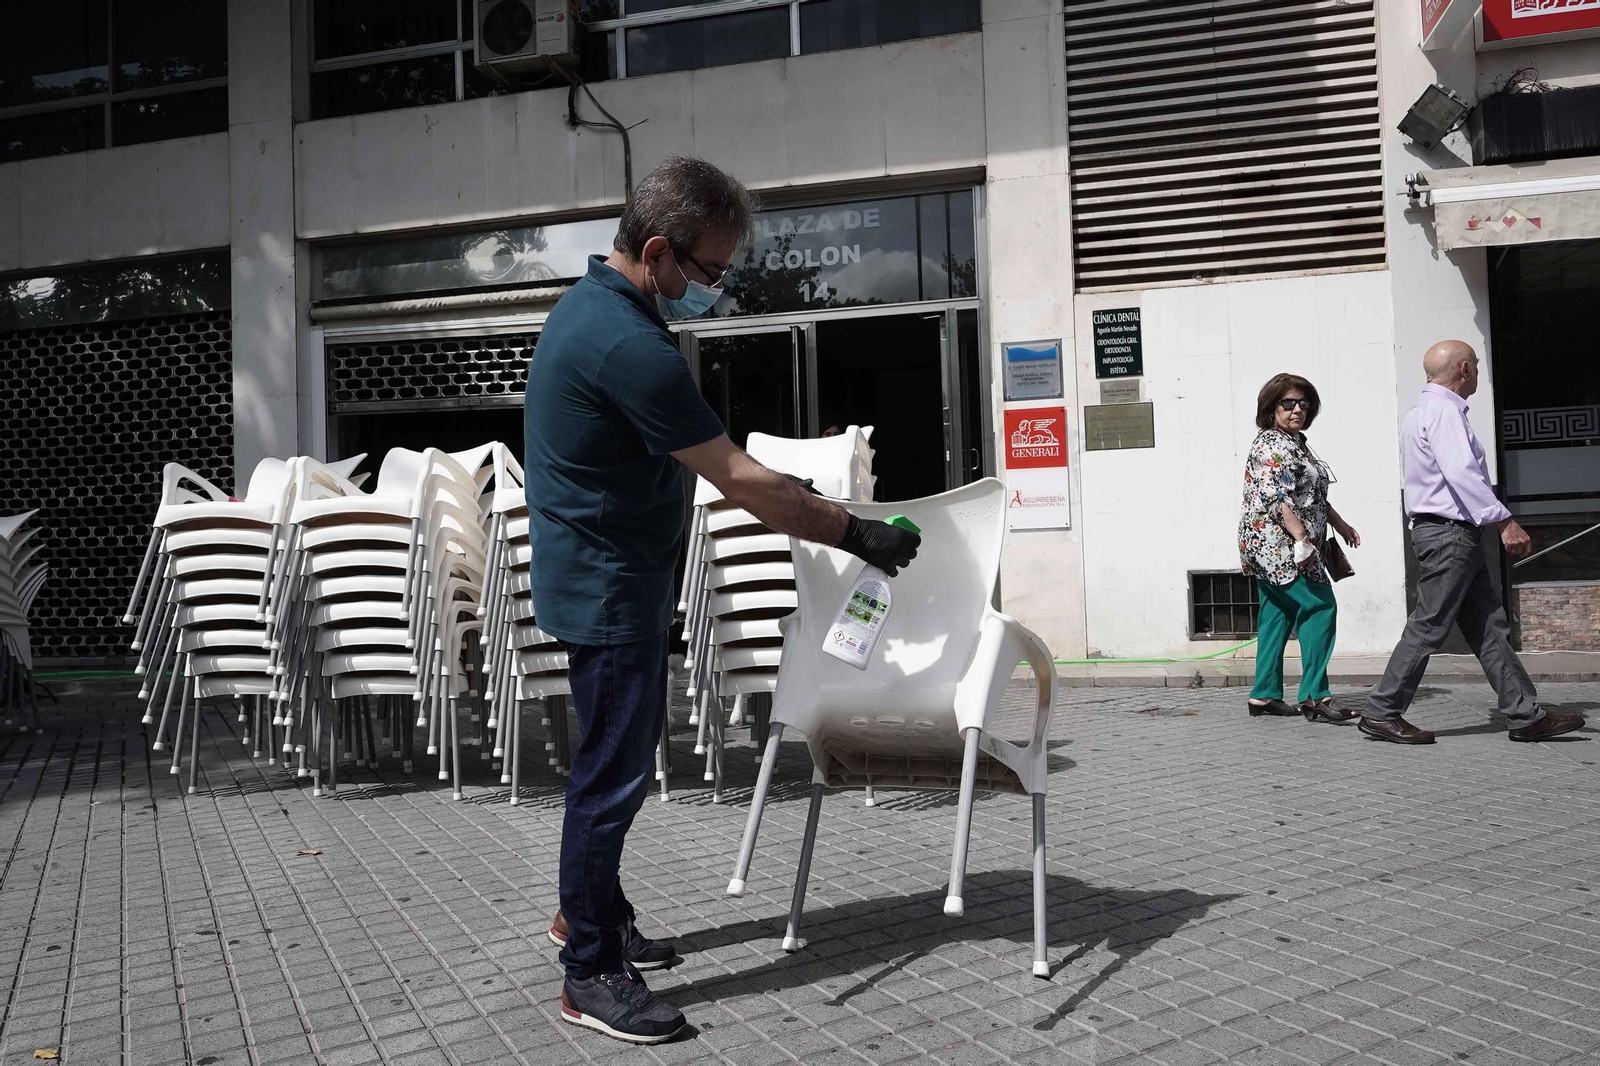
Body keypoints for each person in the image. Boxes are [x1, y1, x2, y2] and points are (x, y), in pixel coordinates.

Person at [522, 156, 920, 1044]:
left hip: (601, 574)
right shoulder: (625, 343)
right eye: (707, 271)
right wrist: (857, 533)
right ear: (657, 250)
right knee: (611, 779)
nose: (713, 288)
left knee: (609, 764)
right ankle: (589, 970)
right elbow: (740, 478)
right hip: (611, 588)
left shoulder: (595, 309)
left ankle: (593, 915)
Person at [1360, 340, 1584, 745]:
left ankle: (1524, 714)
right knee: (1429, 626)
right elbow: (1463, 474)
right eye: (1476, 366)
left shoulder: (1419, 412)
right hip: (1449, 535)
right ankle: (1381, 710)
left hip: (1447, 532)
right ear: (1464, 369)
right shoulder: (1444, 411)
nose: (1478, 372)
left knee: (1487, 626)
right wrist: (1504, 522)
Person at [1238, 374, 1362, 722]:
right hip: (1278, 547)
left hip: (1282, 545)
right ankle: (1315, 697)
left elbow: (1313, 496)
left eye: (1304, 404)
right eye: (1288, 403)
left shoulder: (1295, 443)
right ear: (1271, 407)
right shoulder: (1270, 446)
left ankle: (1263, 696)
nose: (1297, 410)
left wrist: (1339, 525)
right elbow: (1275, 499)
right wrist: (1301, 539)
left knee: (1277, 615)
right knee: (1321, 606)